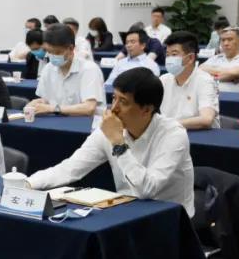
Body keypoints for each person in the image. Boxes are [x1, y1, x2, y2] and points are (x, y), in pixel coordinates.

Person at [26, 68, 195, 216]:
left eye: (123, 102)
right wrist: (28, 183)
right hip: (127, 210)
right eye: (114, 98)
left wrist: (118, 143)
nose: (114, 108)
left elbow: (147, 190)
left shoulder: (173, 135)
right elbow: (70, 168)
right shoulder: (108, 130)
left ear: (146, 109)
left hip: (170, 218)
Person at [26, 24, 106, 116]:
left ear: (71, 48)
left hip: (87, 123)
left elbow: (89, 108)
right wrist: (37, 103)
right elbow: (47, 100)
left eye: (57, 52)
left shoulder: (89, 69)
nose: (52, 56)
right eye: (49, 52)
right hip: (60, 121)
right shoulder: (48, 69)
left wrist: (53, 108)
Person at [160, 31, 219, 129]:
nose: (169, 59)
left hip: (198, 135)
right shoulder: (163, 80)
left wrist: (170, 125)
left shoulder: (204, 81)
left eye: (174, 54)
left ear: (191, 58)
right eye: (167, 55)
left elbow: (206, 119)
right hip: (169, 133)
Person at [201, 27, 239, 92]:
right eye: (223, 40)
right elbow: (200, 69)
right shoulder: (215, 58)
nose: (226, 43)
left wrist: (210, 73)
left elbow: (234, 73)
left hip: (232, 97)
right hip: (208, 95)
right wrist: (228, 77)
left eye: (230, 39)